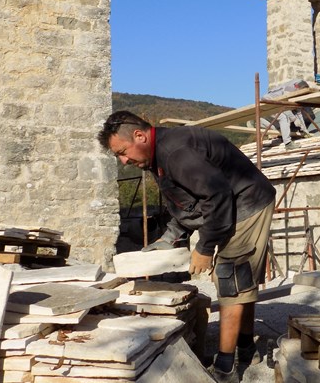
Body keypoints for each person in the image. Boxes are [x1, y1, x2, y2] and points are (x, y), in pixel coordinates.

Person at [97, 111, 275, 383]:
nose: (123, 160)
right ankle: (247, 348)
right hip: (232, 206)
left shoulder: (176, 152)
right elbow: (188, 201)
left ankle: (226, 368)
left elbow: (216, 196)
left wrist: (204, 247)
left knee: (230, 277)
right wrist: (171, 236)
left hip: (246, 205)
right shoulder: (157, 157)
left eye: (122, 152)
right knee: (241, 280)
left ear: (140, 135)